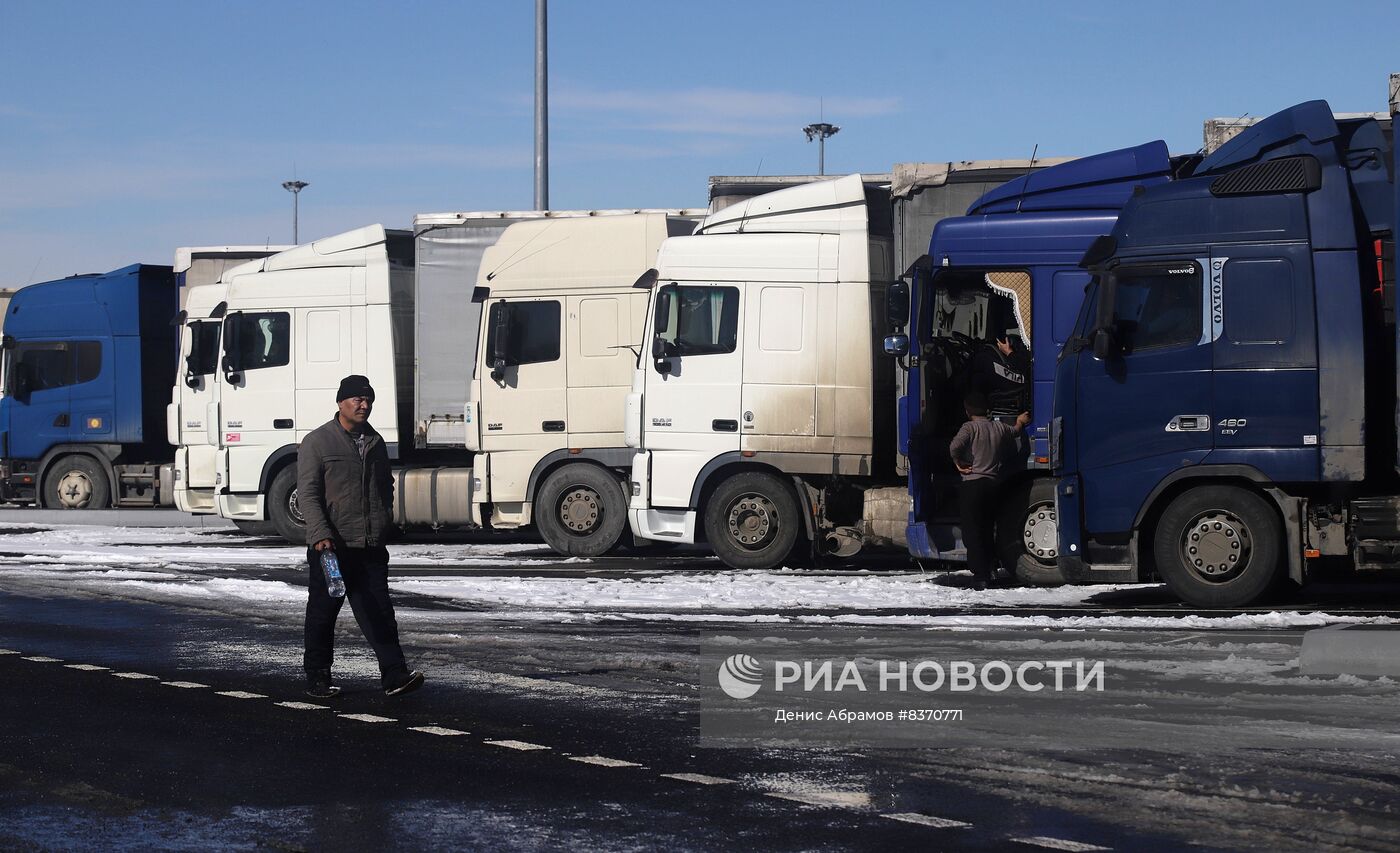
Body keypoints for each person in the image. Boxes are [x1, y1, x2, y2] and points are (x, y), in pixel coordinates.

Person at [298, 374, 423, 699]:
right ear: (341, 402)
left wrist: (385, 521)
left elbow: (385, 487)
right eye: (357, 399)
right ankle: (317, 677)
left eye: (368, 400)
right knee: (323, 615)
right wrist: (320, 533)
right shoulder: (318, 442)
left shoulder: (375, 442)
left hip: (369, 546)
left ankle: (394, 675)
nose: (364, 405)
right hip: (331, 548)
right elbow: (308, 494)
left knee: (380, 612)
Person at [949, 392, 1031, 591]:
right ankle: (992, 567)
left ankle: (980, 575)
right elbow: (1015, 431)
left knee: (972, 532)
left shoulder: (969, 428)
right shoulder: (998, 427)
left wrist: (958, 462)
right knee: (988, 529)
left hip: (973, 484)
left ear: (968, 411)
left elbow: (954, 447)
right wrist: (1020, 421)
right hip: (993, 484)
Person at [968, 330, 1030, 417]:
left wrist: (1009, 353)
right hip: (1022, 376)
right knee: (978, 377)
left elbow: (1025, 367)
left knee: (982, 360)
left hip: (1024, 381)